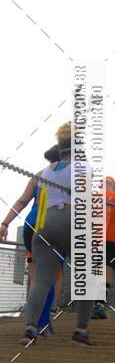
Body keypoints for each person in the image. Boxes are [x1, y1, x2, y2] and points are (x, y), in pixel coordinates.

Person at [13, 123, 97, 346]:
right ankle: (80, 332)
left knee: (41, 279)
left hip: (45, 226)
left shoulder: (44, 172)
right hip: (73, 223)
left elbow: (27, 199)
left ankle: (30, 329)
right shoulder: (84, 168)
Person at [0, 144, 63, 336]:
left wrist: (5, 224)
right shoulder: (75, 175)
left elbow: (22, 200)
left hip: (32, 226)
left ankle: (32, 323)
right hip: (56, 227)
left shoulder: (39, 174)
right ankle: (44, 320)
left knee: (36, 276)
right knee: (54, 276)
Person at [92, 176, 115, 319]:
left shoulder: (93, 196)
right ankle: (99, 304)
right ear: (113, 185)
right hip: (111, 239)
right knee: (107, 271)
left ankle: (88, 306)